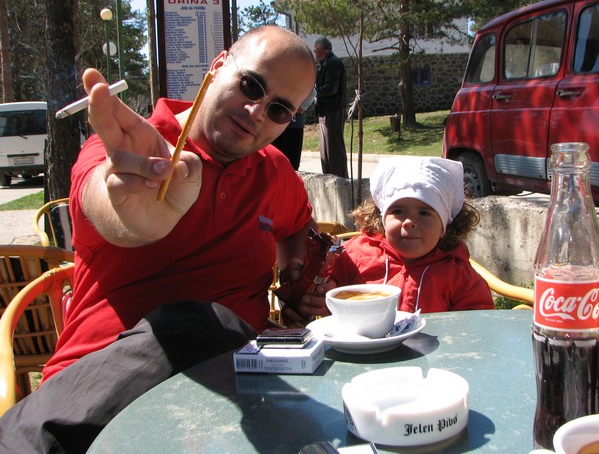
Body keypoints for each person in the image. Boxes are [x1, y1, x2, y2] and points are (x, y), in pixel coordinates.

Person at [0, 26, 324, 452]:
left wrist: (298, 276)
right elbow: (103, 194)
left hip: (236, 399)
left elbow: (298, 226)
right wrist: (136, 215)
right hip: (101, 395)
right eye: (251, 85)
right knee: (200, 323)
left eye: (279, 109)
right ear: (218, 66)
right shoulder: (133, 149)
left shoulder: (273, 171)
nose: (256, 111)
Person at [308, 156, 494, 316]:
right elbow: (327, 286)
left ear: (444, 227)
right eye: (398, 211)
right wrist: (326, 296)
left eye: (424, 213)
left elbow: (478, 323)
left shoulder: (458, 275)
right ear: (382, 219)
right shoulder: (354, 255)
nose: (409, 222)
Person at [314, 37, 348, 178]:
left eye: (317, 49)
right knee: (326, 150)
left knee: (334, 149)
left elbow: (331, 88)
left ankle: (340, 179)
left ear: (325, 50)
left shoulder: (333, 63)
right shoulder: (325, 64)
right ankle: (329, 178)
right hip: (325, 111)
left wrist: (313, 92)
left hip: (333, 111)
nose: (314, 51)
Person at [271, 88, 316, 170]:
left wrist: (302, 106)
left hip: (293, 124)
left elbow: (313, 92)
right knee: (274, 161)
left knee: (291, 162)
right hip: (277, 123)